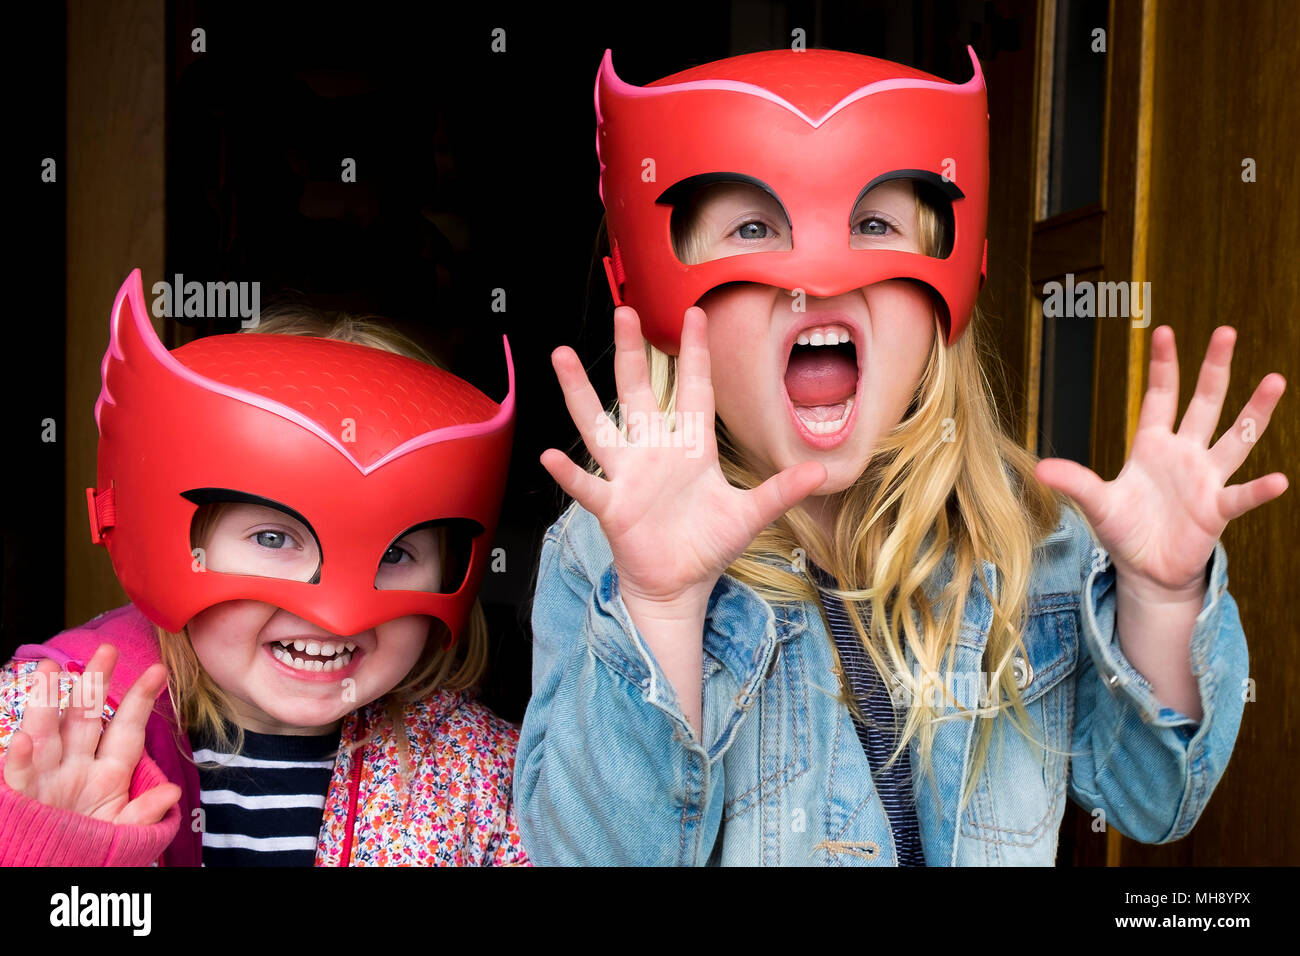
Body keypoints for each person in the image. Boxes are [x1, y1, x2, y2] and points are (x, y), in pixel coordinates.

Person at [516, 46, 1287, 865]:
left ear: (941, 298)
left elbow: (1154, 799)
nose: (818, 274)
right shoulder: (603, 560)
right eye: (752, 227)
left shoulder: (1035, 550)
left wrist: (1162, 603)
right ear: (671, 307)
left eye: (874, 224)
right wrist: (662, 610)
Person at [0, 269, 529, 866]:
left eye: (395, 553)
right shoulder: (46, 733)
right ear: (175, 540)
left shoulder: (481, 782)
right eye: (275, 537)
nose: (336, 612)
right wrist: (45, 854)